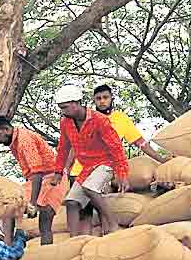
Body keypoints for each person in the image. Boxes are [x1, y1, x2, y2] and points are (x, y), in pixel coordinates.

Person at [49, 83, 130, 237]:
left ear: (76, 103)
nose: (62, 111)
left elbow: (116, 147)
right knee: (71, 202)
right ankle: (74, 239)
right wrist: (58, 172)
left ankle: (114, 225)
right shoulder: (65, 123)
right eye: (61, 108)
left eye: (64, 107)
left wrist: (122, 173)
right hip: (87, 168)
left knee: (90, 188)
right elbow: (63, 148)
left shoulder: (99, 120)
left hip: (106, 164)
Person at [0, 115, 62, 245]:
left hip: (52, 176)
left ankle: (43, 250)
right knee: (10, 205)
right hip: (37, 179)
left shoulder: (24, 140)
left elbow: (37, 173)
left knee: (46, 216)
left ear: (6, 129)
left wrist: (33, 203)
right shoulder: (14, 141)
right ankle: (9, 246)